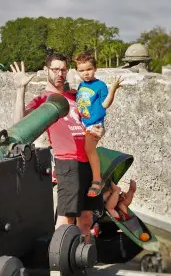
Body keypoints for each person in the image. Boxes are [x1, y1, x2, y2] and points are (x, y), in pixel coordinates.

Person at [10, 54, 104, 243]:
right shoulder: (43, 100)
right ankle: (60, 261)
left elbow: (93, 116)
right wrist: (21, 89)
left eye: (63, 69)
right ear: (46, 71)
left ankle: (82, 261)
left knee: (86, 220)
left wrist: (100, 129)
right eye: (55, 69)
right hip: (67, 162)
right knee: (66, 219)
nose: (60, 74)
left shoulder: (75, 95)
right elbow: (19, 123)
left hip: (88, 161)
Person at [74, 52, 123, 197]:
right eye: (81, 71)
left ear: (95, 68)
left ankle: (97, 180)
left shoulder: (100, 85)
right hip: (83, 123)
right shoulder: (81, 85)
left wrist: (113, 88)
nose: (85, 73)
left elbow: (105, 104)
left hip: (95, 125)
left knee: (89, 149)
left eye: (88, 69)